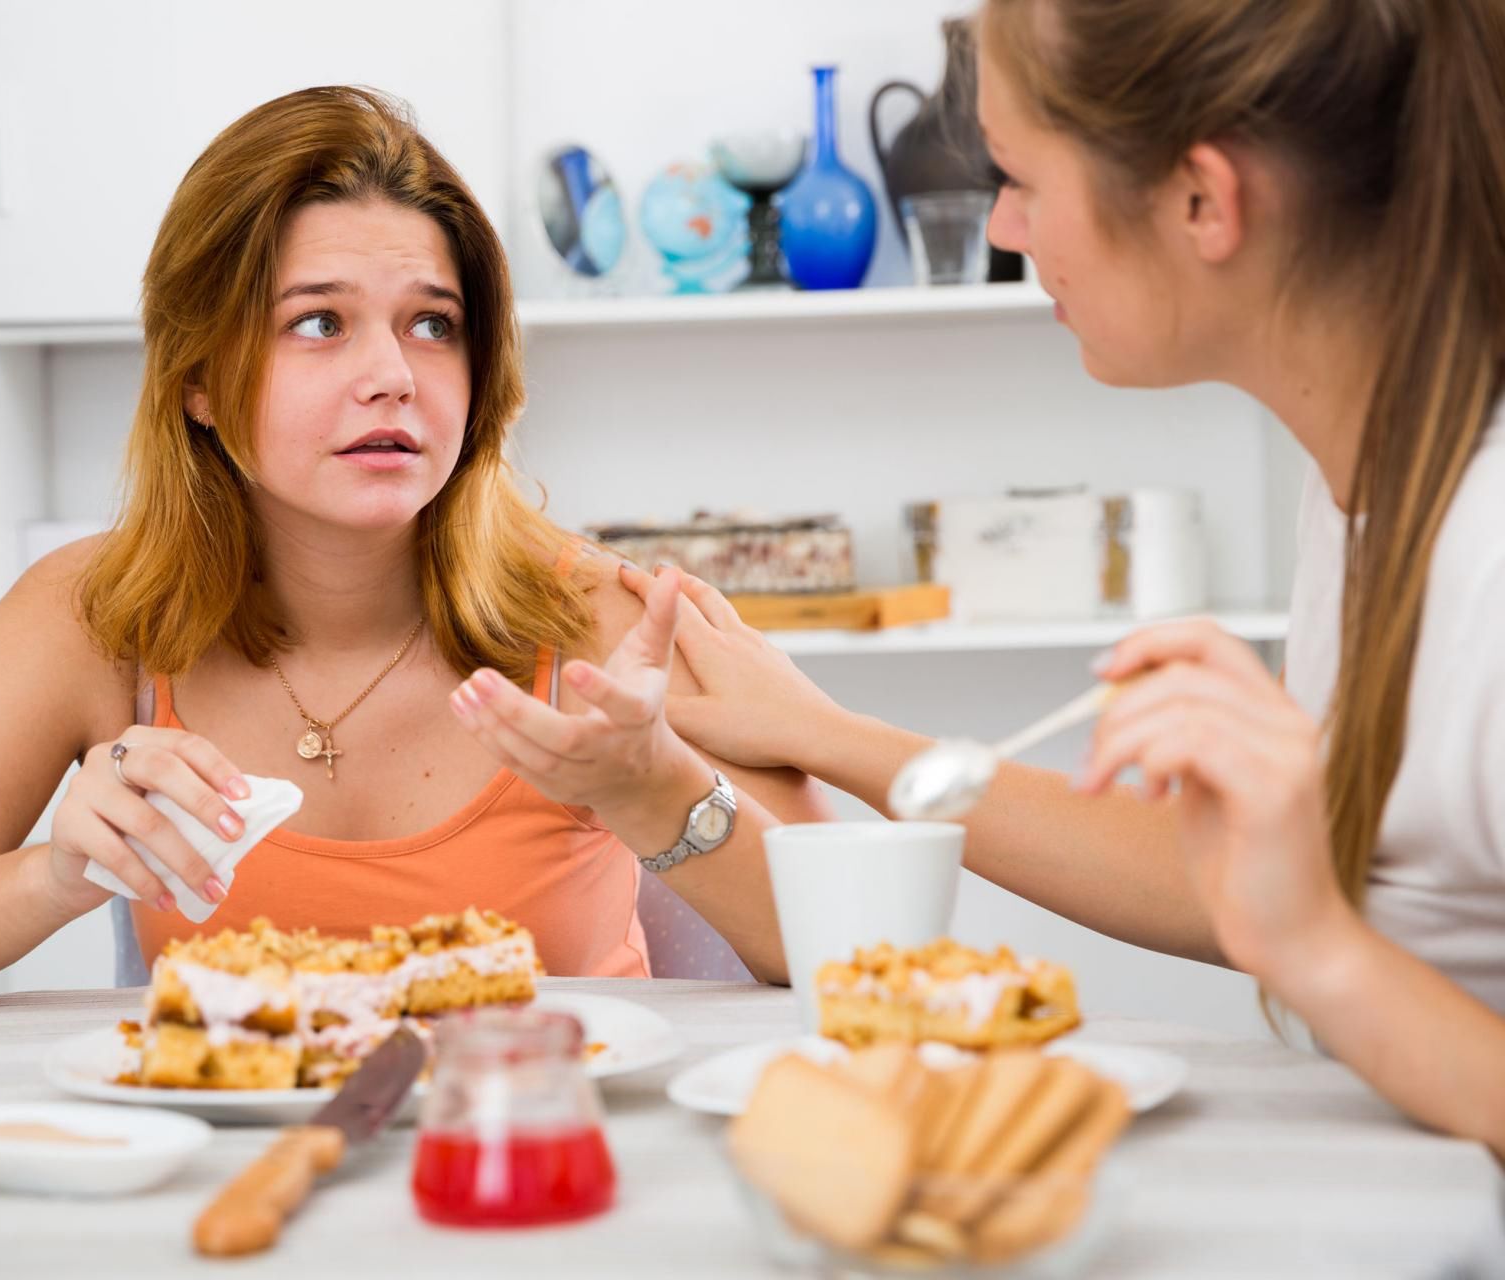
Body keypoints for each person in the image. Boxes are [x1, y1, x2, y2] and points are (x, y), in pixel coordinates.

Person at [486, 0, 1505, 1159]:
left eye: (1018, 177)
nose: (1005, 228)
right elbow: (1226, 876)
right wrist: (827, 732)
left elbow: (1299, 916)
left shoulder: (1487, 556)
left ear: (1203, 202)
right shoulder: (1365, 489)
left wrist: (1310, 945)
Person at [0, 86, 826, 1012]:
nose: (394, 375)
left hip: (545, 1169)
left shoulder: (605, 617)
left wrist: (659, 784)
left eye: (433, 324)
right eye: (320, 324)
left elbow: (856, 947)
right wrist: (58, 873)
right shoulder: (91, 619)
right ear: (198, 378)